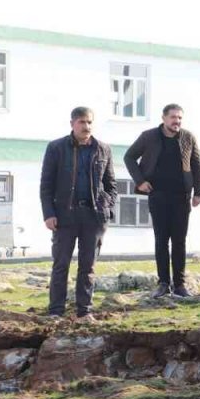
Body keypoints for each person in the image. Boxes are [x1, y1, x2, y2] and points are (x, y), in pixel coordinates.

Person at [40, 107, 118, 321]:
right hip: (64, 215)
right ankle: (56, 311)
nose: (87, 127)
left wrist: (107, 207)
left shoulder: (103, 149)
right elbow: (46, 185)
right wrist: (49, 213)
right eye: (82, 122)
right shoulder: (56, 148)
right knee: (61, 264)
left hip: (94, 217)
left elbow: (111, 185)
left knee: (88, 266)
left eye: (90, 122)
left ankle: (84, 311)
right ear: (73, 123)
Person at [123, 104, 200, 298]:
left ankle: (180, 284)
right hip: (158, 195)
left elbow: (197, 165)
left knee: (179, 241)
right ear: (164, 118)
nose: (177, 121)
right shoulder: (149, 136)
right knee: (161, 240)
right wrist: (140, 181)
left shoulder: (188, 137)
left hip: (181, 196)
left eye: (180, 118)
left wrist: (198, 192)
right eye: (173, 117)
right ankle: (163, 283)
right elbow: (129, 157)